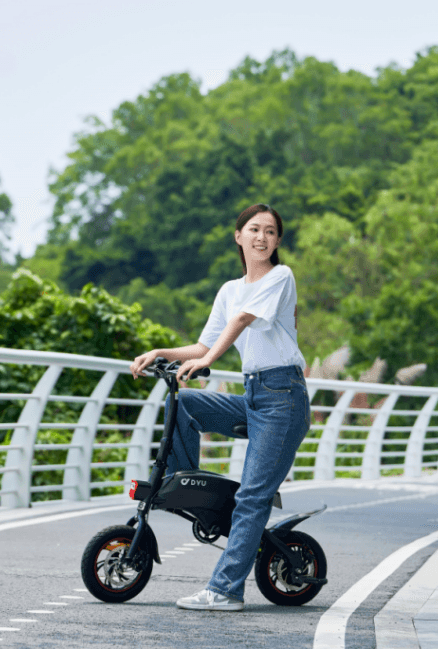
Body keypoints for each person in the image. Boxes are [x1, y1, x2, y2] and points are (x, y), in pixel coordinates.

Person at [129, 204, 311, 612]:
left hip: (283, 399)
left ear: (277, 241)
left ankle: (226, 591)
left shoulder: (280, 277)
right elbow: (203, 345)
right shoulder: (230, 289)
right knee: (187, 402)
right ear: (238, 236)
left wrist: (209, 361)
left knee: (251, 497)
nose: (261, 237)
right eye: (253, 229)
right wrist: (160, 351)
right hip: (254, 395)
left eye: (269, 231)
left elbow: (244, 320)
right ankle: (184, 485)